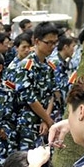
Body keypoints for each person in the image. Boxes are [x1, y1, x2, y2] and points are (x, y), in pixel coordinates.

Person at [14, 22, 58, 151]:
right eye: (48, 42)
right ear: (37, 41)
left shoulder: (50, 66)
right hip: (27, 122)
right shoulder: (25, 66)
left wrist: (46, 119)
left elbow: (51, 94)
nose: (52, 46)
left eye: (54, 43)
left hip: (44, 120)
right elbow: (30, 99)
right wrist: (48, 120)